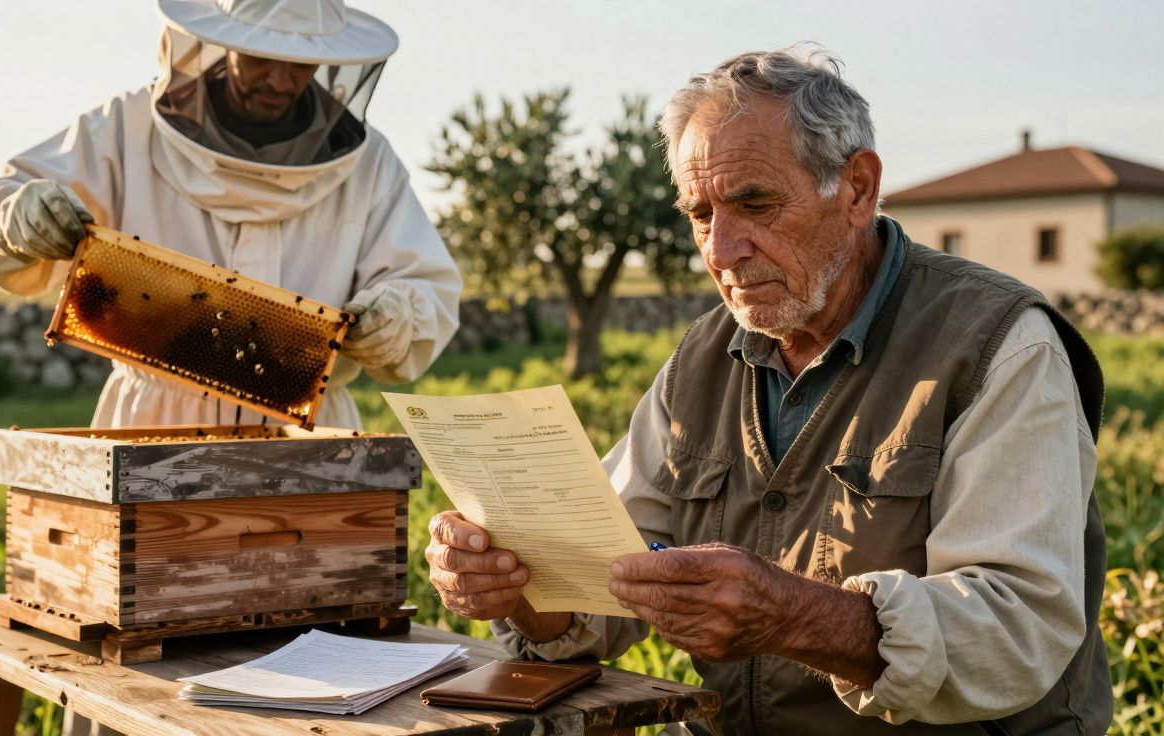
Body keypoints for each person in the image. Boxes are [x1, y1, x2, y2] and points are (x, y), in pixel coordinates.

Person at [425, 47, 1111, 734]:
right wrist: (516, 590)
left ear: (857, 190)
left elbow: (1017, 632)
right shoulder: (700, 359)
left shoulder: (1000, 345)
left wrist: (792, 615)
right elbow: (603, 585)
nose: (721, 251)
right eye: (700, 214)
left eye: (754, 203)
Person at [0, 0, 461, 431]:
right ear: (225, 43)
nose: (282, 81)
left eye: (304, 62)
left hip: (307, 430)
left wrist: (397, 316)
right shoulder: (125, 128)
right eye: (265, 57)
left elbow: (426, 287)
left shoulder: (368, 163)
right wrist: (19, 217)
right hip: (154, 422)